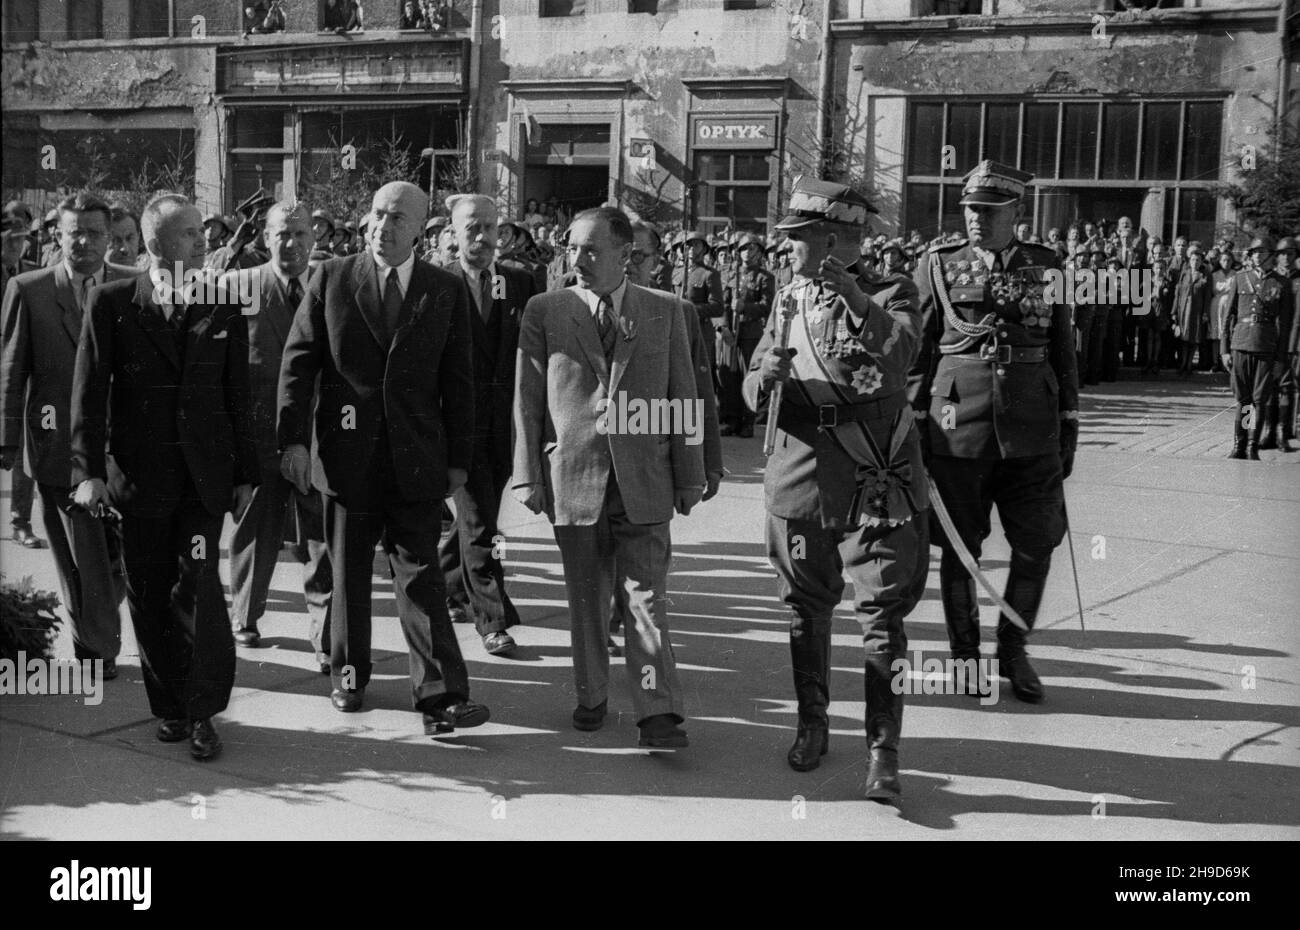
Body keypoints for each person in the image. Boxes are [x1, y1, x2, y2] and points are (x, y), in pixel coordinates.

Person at [278, 181, 489, 734]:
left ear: (421, 229)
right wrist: (293, 441)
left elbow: (460, 381)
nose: (382, 226)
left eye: (397, 218)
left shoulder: (443, 289)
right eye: (376, 213)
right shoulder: (332, 277)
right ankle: (349, 679)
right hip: (346, 461)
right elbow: (299, 364)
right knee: (347, 577)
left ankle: (441, 695)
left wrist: (459, 460)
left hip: (417, 460)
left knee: (422, 578)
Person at [742, 179, 928, 802]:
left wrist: (854, 297)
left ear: (833, 241)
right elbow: (752, 378)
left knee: (881, 613)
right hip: (798, 469)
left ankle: (884, 750)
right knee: (805, 605)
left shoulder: (893, 290)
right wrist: (760, 379)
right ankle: (812, 724)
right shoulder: (786, 295)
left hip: (874, 469)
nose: (786, 249)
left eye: (797, 239)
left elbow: (900, 355)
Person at [70, 193, 260, 761]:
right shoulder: (112, 302)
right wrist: (88, 473)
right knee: (149, 595)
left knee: (198, 586)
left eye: (202, 233)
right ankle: (170, 708)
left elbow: (239, 396)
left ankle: (203, 712)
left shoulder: (223, 304)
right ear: (155, 244)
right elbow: (88, 393)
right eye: (190, 234)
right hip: (138, 481)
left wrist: (247, 473)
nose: (204, 242)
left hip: (203, 481)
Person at [512, 206, 705, 748]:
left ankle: (656, 713)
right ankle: (591, 695)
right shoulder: (545, 309)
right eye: (572, 248)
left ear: (627, 255)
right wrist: (527, 474)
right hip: (574, 474)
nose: (578, 260)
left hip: (644, 477)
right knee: (587, 596)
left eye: (592, 250)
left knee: (644, 598)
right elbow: (527, 399)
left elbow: (682, 396)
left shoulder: (665, 312)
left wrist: (690, 474)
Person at [909, 160, 1078, 706]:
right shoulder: (939, 264)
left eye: (989, 210)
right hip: (957, 425)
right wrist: (913, 426)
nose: (976, 219)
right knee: (961, 550)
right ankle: (964, 658)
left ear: (1016, 213)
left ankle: (1013, 648)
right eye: (970, 209)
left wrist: (1069, 423)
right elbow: (919, 351)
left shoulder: (1046, 265)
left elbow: (1063, 350)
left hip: (1033, 427)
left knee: (1037, 544)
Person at [2, 193, 134, 676]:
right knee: (80, 555)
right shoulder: (30, 288)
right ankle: (97, 648)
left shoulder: (133, 286)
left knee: (116, 559)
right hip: (56, 445)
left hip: (123, 450)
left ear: (110, 237)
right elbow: (12, 369)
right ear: (57, 234)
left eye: (94, 232)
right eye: (73, 231)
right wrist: (7, 441)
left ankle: (94, 631)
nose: (83, 241)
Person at [219, 202, 333, 663]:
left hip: (318, 434)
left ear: (315, 237)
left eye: (301, 234)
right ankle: (244, 616)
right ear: (265, 238)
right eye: (282, 234)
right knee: (255, 531)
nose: (292, 243)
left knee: (321, 537)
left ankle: (327, 635)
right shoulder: (237, 286)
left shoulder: (331, 288)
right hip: (259, 433)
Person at [438, 194, 533, 657]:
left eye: (491, 228)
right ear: (453, 235)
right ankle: (493, 619)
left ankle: (445, 583)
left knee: (480, 517)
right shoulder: (437, 284)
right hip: (455, 426)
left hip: (503, 426)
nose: (482, 236)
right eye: (472, 227)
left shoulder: (517, 283)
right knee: (481, 525)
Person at [1220, 237, 1295, 460]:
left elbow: (1286, 324)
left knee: (1259, 399)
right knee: (1243, 399)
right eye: (1254, 252)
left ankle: (1252, 446)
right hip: (1241, 344)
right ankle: (1238, 444)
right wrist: (1224, 349)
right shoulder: (1240, 278)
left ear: (1271, 255)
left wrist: (1281, 358)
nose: (1257, 256)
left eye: (1262, 252)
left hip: (1265, 346)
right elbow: (1227, 317)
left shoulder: (1281, 283)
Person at [0, 207, 44, 550]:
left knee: (20, 446)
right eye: (11, 241)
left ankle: (20, 520)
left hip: (18, 374)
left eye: (21, 241)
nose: (17, 247)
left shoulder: (32, 274)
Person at [718, 233, 774, 438]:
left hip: (750, 333)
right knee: (728, 377)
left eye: (752, 249)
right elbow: (722, 303)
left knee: (747, 377)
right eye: (743, 249)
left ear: (760, 253)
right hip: (730, 334)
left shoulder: (765, 277)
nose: (746, 253)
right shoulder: (729, 274)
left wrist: (745, 307)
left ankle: (748, 420)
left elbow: (767, 306)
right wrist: (724, 328)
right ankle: (730, 419)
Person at [672, 230, 724, 380]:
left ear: (704, 249)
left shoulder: (709, 274)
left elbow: (717, 307)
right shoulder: (676, 272)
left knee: (700, 377)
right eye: (687, 245)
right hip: (678, 331)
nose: (691, 248)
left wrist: (691, 309)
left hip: (700, 332)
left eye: (695, 244)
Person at [1269, 237, 1299, 452]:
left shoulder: (1298, 280)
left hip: (1290, 342)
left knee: (1285, 388)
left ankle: (1282, 432)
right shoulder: (1271, 278)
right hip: (1265, 342)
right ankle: (1260, 432)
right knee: (1261, 390)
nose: (1286, 257)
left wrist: (1291, 345)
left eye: (1290, 253)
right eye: (1282, 253)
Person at [1172, 245, 1212, 377]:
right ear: (1189, 261)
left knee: (1194, 338)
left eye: (1198, 260)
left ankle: (1189, 365)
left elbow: (1207, 296)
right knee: (1184, 338)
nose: (1195, 262)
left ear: (1201, 262)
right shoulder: (1184, 274)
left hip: (1197, 311)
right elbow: (1177, 294)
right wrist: (1174, 312)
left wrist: (1205, 312)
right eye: (1193, 259)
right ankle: (1183, 363)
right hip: (1184, 310)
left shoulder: (1205, 275)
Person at [1143, 257, 1175, 375]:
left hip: (1161, 310)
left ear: (1165, 269)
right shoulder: (1148, 281)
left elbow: (1169, 299)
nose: (1159, 270)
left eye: (1161, 268)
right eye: (1157, 268)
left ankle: (1155, 359)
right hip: (1150, 309)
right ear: (1153, 269)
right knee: (1149, 336)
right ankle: (1148, 360)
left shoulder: (1167, 282)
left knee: (1158, 336)